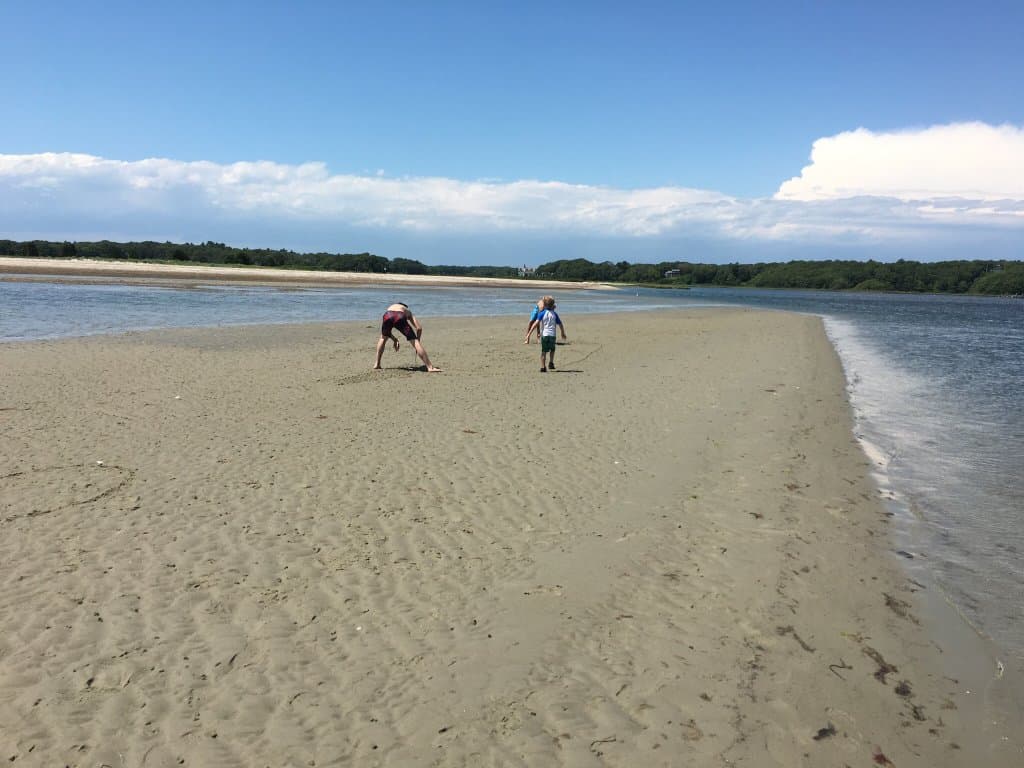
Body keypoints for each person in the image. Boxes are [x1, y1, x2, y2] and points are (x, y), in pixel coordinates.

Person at [373, 302, 442, 372]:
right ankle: (430, 367)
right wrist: (417, 341)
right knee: (415, 342)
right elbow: (419, 328)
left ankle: (377, 364)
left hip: (387, 315)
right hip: (399, 316)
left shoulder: (392, 307)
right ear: (405, 307)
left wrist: (395, 340)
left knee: (383, 338)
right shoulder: (407, 311)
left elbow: (387, 333)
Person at [525, 296, 567, 372]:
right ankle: (551, 362)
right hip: (552, 335)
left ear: (544, 305)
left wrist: (529, 334)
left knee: (543, 352)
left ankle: (543, 367)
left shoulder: (542, 313)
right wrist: (562, 333)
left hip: (544, 336)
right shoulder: (555, 314)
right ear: (553, 305)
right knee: (552, 350)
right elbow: (560, 324)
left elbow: (535, 324)